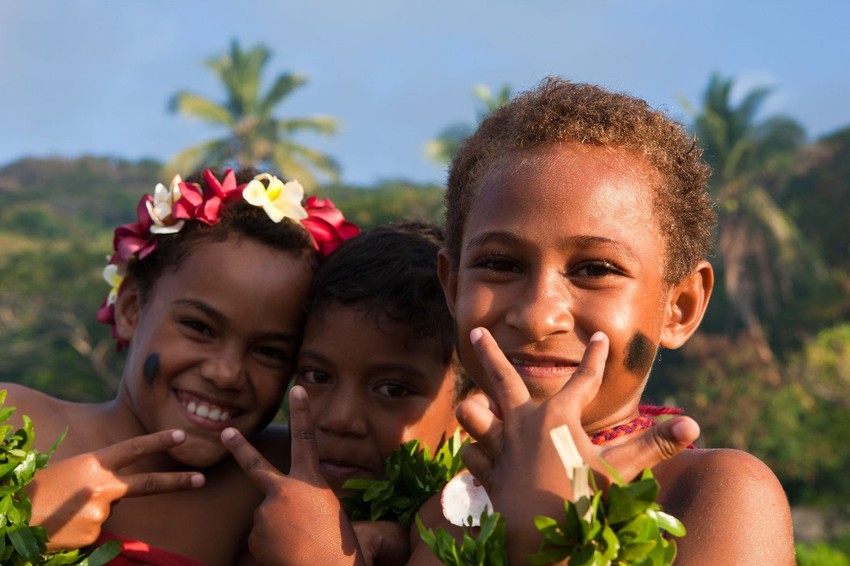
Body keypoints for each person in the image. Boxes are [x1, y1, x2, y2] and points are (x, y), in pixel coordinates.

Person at [436, 77, 796, 564]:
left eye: (596, 270)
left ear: (681, 306)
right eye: (500, 264)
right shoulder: (431, 490)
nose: (539, 316)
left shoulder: (716, 493)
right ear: (454, 287)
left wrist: (548, 545)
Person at [2, 167, 357, 564]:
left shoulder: (293, 482)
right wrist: (15, 528)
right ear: (131, 309)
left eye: (270, 352)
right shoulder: (14, 422)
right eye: (199, 327)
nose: (226, 373)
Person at [221, 221, 476, 564]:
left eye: (393, 389)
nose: (340, 419)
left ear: (470, 411)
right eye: (317, 375)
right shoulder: (245, 508)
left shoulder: (486, 531)